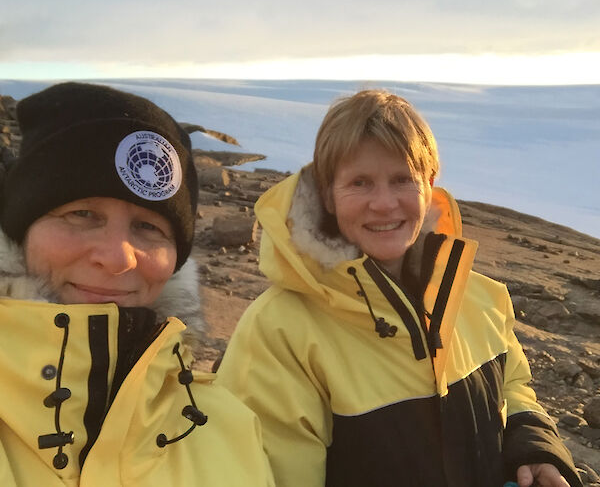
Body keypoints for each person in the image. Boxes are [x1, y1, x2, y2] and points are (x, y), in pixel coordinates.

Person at [217, 90, 582, 487]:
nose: (384, 203)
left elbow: (514, 388)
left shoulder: (479, 298)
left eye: (402, 179)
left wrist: (533, 447)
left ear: (429, 186)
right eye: (360, 182)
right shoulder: (278, 333)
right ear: (327, 194)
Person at [0, 82, 274, 486]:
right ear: (21, 234)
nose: (117, 257)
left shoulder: (229, 429)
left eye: (148, 226)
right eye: (82, 214)